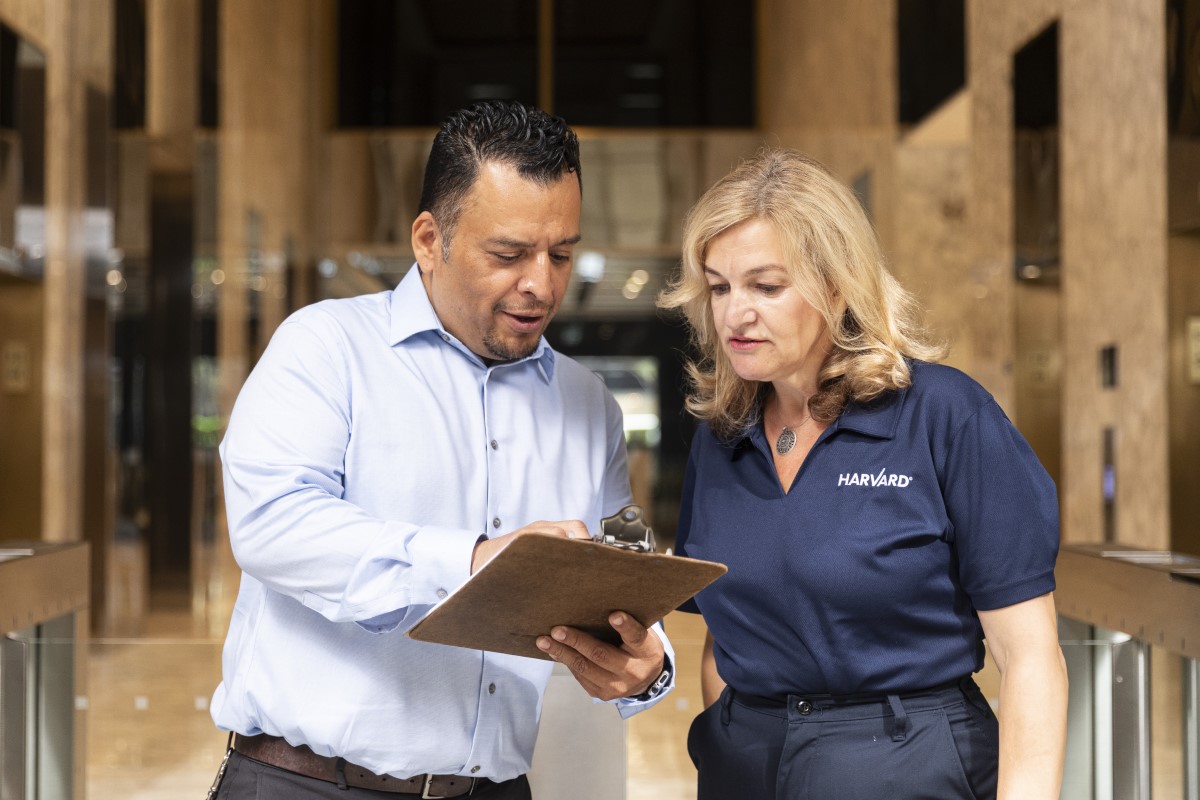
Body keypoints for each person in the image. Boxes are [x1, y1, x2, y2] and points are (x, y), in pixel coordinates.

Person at [207, 101, 673, 800]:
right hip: (306, 785)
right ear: (430, 240)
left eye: (562, 254)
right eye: (509, 254)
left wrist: (647, 664)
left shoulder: (589, 406)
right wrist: (475, 562)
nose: (541, 285)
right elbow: (274, 528)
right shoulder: (325, 347)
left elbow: (618, 575)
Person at [657, 149, 1067, 800]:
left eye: (766, 286)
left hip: (907, 763)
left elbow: (1031, 658)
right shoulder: (722, 437)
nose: (736, 313)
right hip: (745, 768)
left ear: (837, 285)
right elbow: (727, 631)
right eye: (719, 285)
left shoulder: (943, 416)